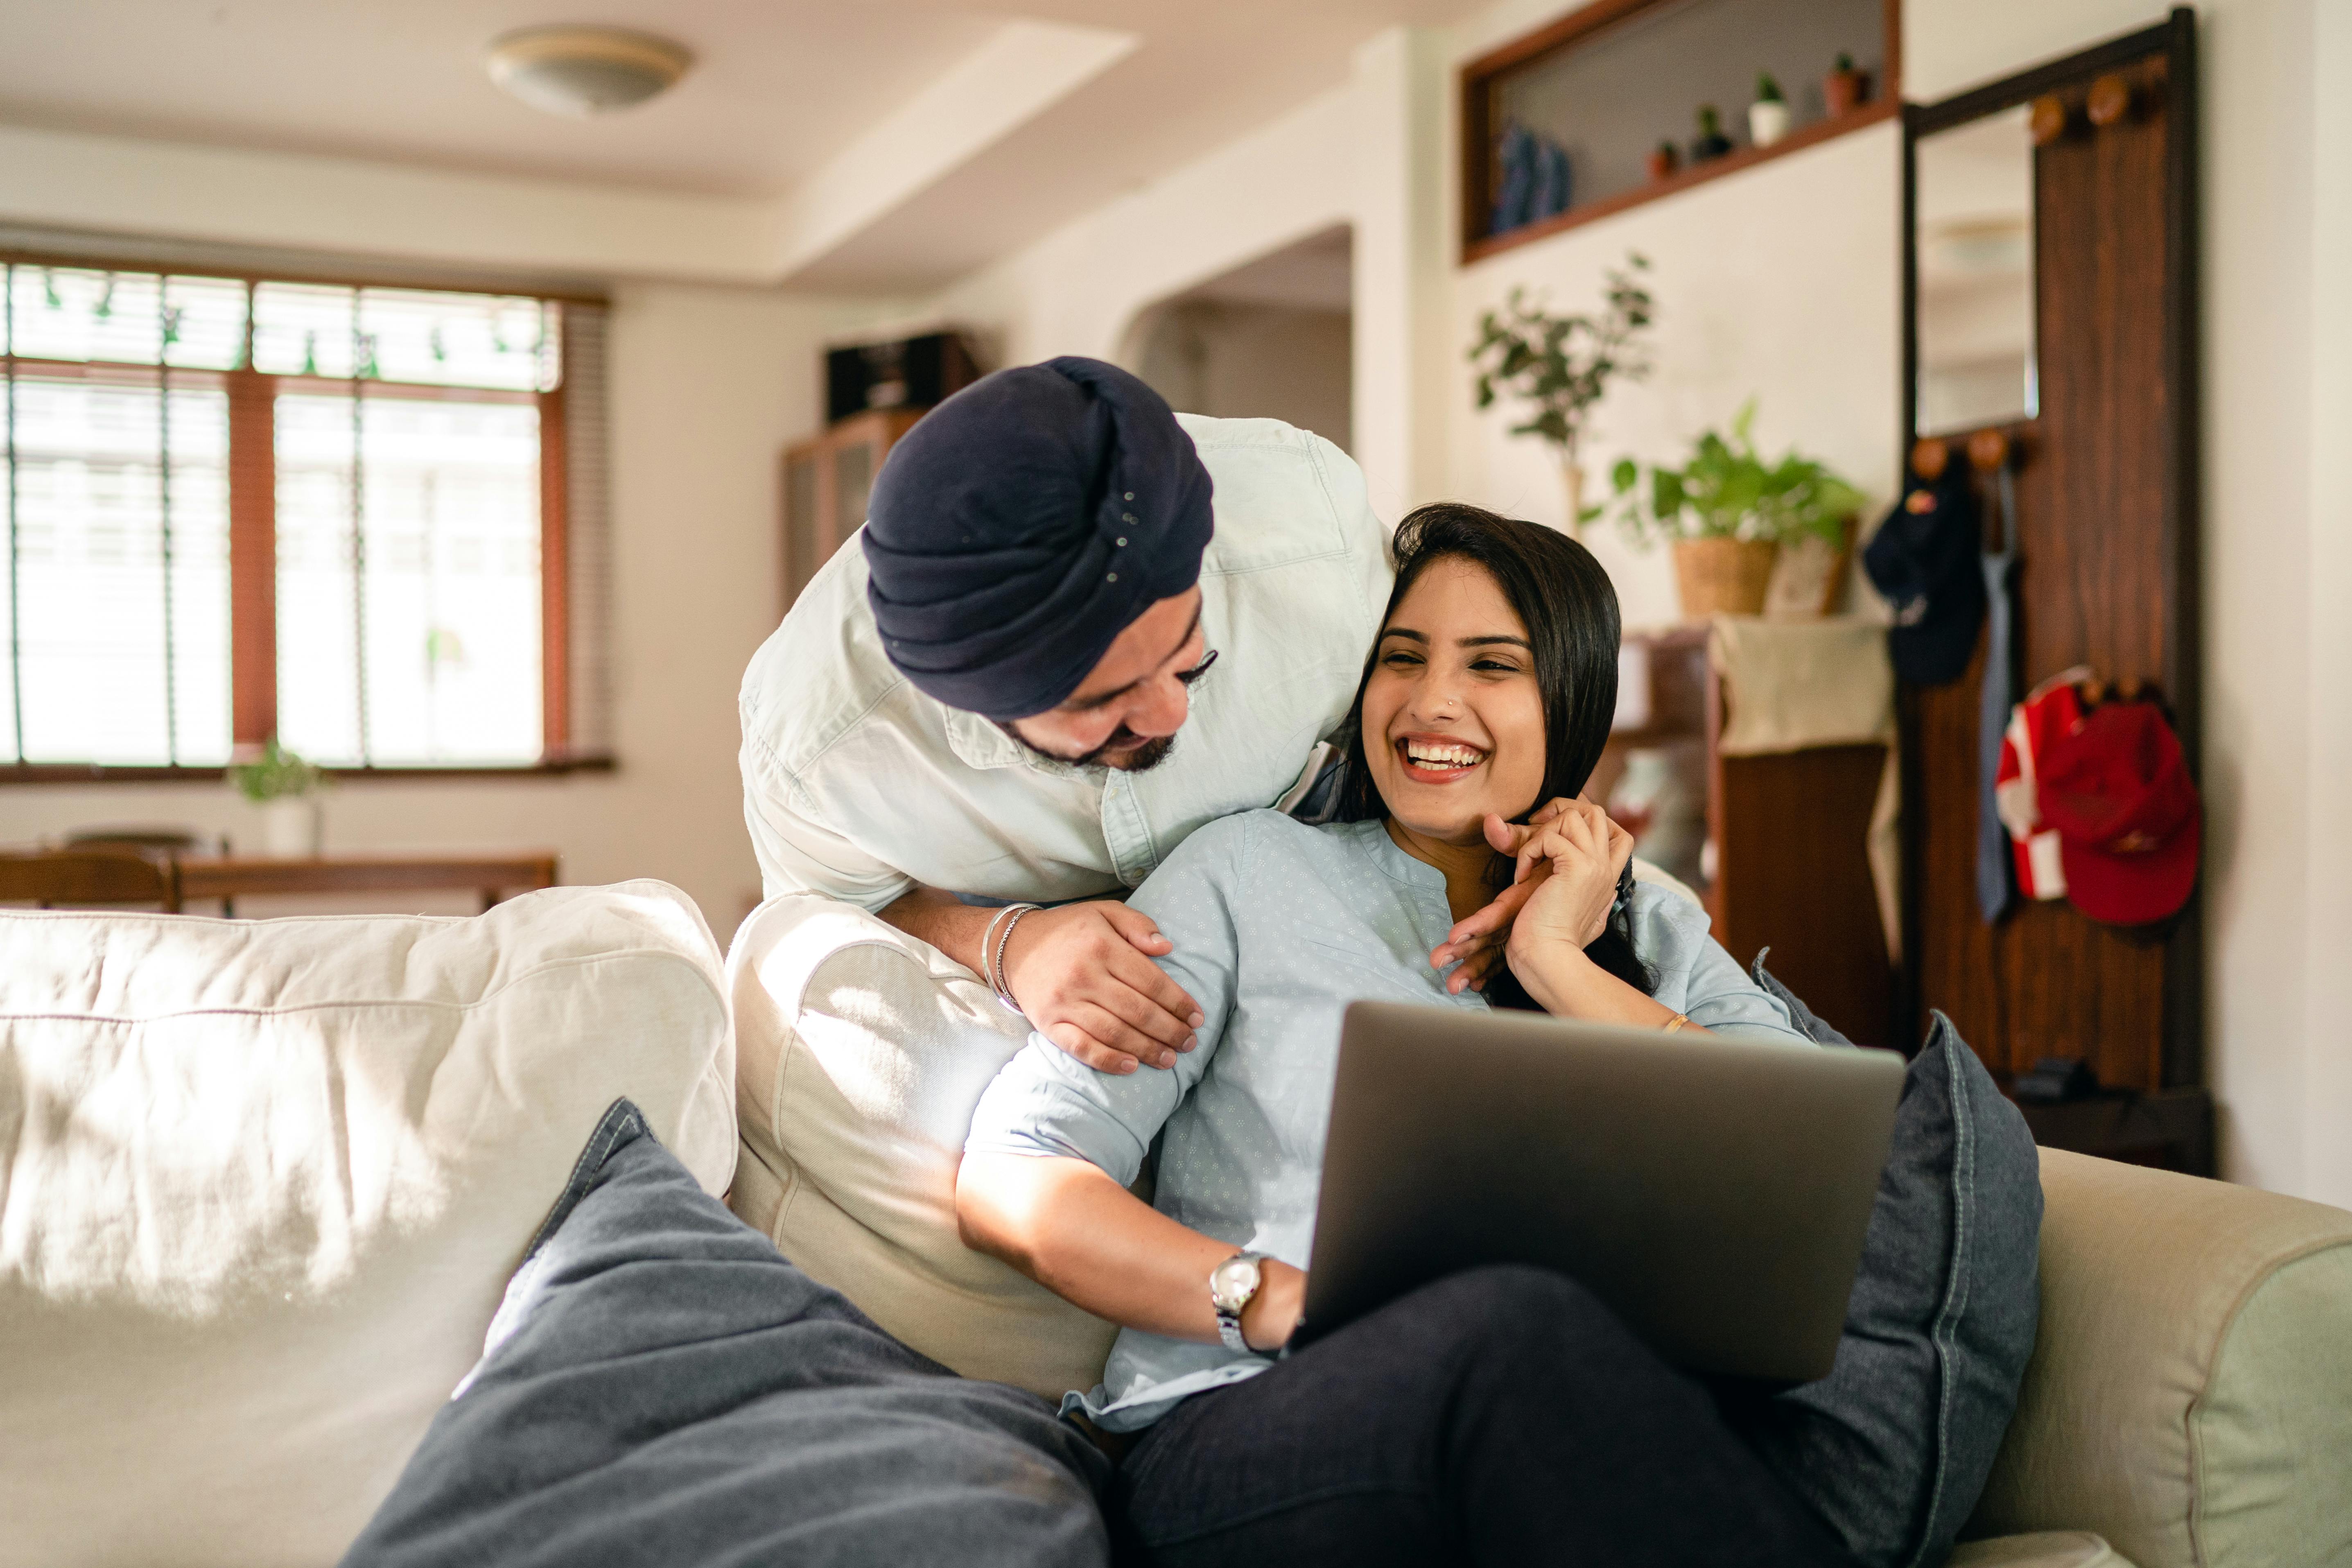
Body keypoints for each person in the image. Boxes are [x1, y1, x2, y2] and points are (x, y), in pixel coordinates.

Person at [956, 504, 1848, 1568]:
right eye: (1403, 657)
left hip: (1568, 1435)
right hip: (1253, 1428)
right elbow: (1016, 1178)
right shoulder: (1246, 871)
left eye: (1491, 665)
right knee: (1513, 1324)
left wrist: (1558, 964)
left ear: (1569, 699)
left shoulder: (1645, 923)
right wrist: (1272, 1295)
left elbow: (1808, 1158)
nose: (1433, 702)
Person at [739, 358, 1548, 1075]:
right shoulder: (818, 746)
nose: (1169, 711)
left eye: (1188, 649)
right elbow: (834, 924)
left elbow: (1452, 715)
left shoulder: (1310, 537)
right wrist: (1008, 942)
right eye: (1101, 701)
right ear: (969, 701)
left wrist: (1532, 843)